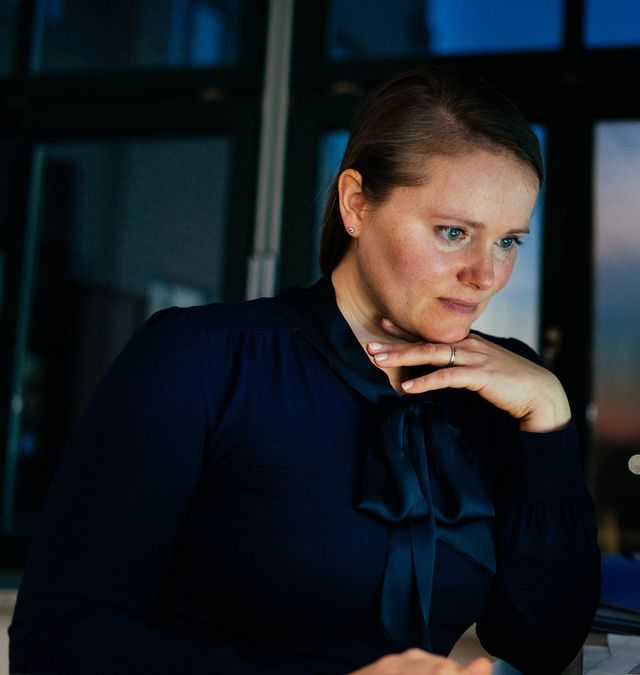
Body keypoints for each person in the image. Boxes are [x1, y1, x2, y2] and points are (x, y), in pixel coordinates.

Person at [9, 65, 600, 675]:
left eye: (509, 241)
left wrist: (549, 418)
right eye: (454, 232)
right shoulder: (199, 360)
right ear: (356, 204)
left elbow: (541, 644)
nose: (486, 276)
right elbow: (54, 643)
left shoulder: (504, 389)